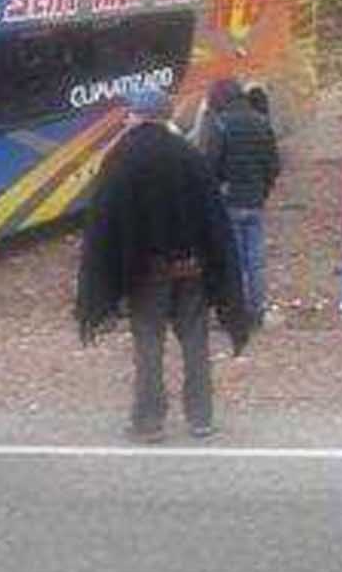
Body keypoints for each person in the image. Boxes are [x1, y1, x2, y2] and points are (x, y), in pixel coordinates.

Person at [76, 85, 248, 442]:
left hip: (146, 273)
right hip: (192, 269)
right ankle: (200, 417)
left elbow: (104, 220)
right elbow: (213, 218)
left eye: (130, 113)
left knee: (149, 345)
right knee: (195, 342)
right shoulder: (189, 155)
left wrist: (106, 280)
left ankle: (149, 421)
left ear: (138, 115)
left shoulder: (122, 158)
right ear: (167, 114)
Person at [204, 77, 281, 333]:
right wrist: (263, 190)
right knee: (255, 260)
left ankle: (236, 313)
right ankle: (256, 310)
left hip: (229, 202)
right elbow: (274, 165)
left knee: (233, 261)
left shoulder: (220, 124)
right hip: (254, 201)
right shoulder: (262, 122)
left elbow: (211, 165)